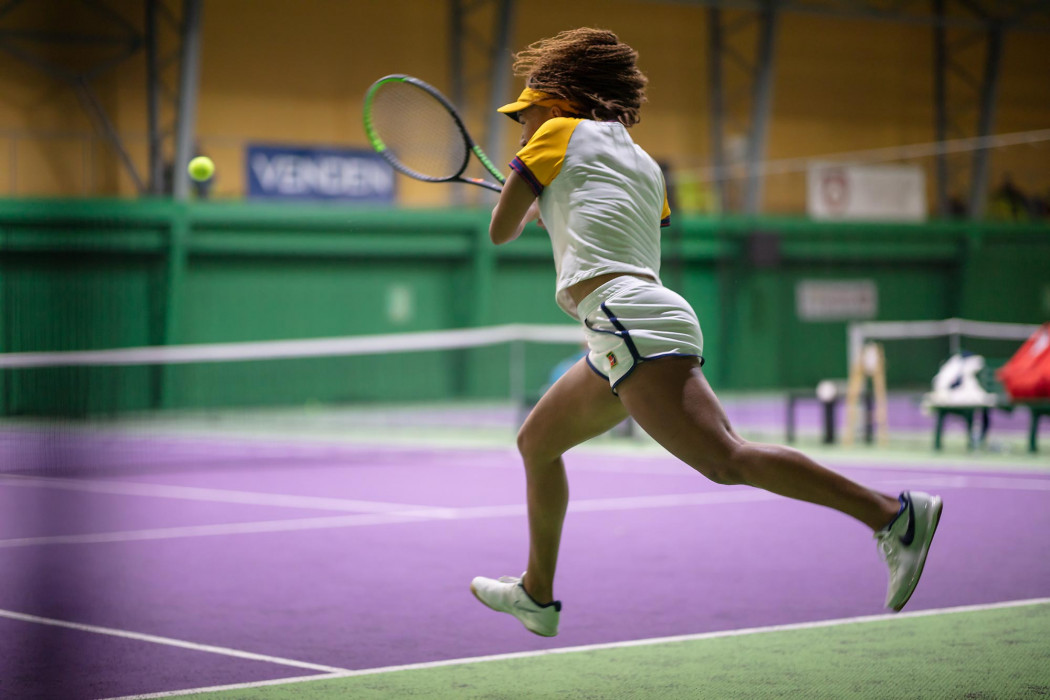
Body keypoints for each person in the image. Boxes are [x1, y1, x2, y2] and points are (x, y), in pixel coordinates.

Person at [469, 28, 942, 638]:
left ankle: (892, 516)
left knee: (725, 459)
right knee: (537, 442)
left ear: (560, 102)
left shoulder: (553, 136)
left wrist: (527, 199)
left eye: (525, 114)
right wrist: (550, 205)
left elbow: (499, 230)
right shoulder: (645, 165)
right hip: (641, 320)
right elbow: (608, 220)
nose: (520, 127)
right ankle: (537, 594)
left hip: (625, 321)